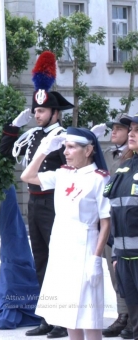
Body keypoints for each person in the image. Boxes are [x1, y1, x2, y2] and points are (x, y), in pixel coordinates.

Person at [0, 51, 72, 338]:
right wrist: (14, 126)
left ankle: (64, 320)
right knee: (41, 260)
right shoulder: (33, 135)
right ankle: (48, 316)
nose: (36, 114)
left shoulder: (64, 136)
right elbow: (6, 153)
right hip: (34, 200)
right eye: (36, 110)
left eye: (41, 111)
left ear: (55, 112)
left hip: (55, 203)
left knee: (58, 261)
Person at [21, 127, 111, 340]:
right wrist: (43, 150)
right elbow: (27, 176)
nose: (66, 152)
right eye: (64, 147)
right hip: (61, 246)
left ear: (88, 150)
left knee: (88, 314)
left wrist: (96, 258)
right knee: (68, 313)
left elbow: (105, 223)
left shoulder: (99, 178)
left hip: (84, 248)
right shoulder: (62, 174)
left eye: (71, 147)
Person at [104, 115, 138, 340]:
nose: (132, 133)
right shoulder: (125, 167)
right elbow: (116, 212)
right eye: (132, 129)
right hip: (125, 257)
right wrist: (115, 253)